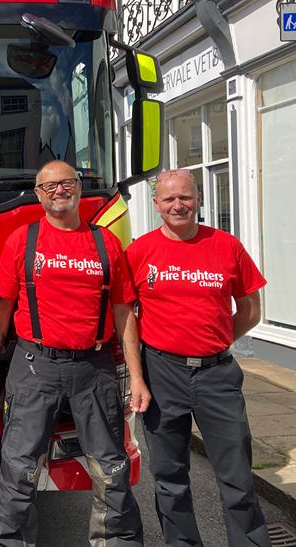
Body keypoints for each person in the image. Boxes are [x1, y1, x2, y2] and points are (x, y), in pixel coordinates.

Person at [0, 160, 148, 546]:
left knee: (111, 467)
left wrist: (137, 377)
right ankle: (11, 542)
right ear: (38, 194)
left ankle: (118, 542)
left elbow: (124, 311)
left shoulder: (105, 242)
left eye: (67, 183)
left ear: (78, 187)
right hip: (33, 366)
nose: (60, 190)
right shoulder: (21, 241)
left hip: (95, 367)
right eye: (50, 185)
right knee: (18, 469)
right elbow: (2, 309)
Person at [126, 169, 270, 546]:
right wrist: (137, 378)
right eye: (169, 199)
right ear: (156, 205)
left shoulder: (227, 246)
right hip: (161, 373)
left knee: (237, 478)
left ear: (199, 199)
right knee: (170, 480)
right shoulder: (140, 252)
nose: (178, 205)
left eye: (185, 197)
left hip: (217, 375)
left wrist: (217, 341)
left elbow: (250, 309)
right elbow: (125, 317)